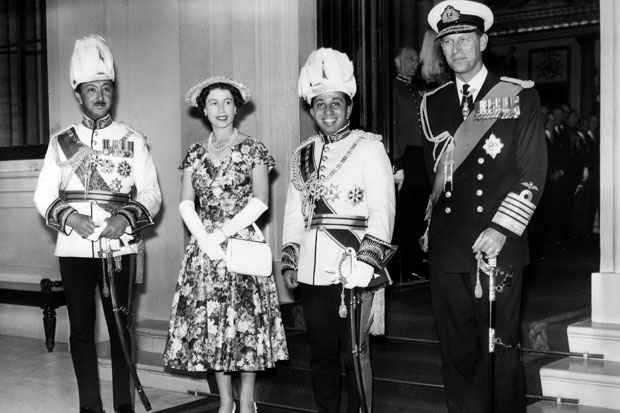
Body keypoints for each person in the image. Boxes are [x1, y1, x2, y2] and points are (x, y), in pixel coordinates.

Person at [421, 1, 547, 411]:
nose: (456, 49)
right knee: (457, 354)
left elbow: (532, 172)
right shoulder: (432, 104)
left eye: (465, 39)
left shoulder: (518, 96)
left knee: (501, 352)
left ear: (484, 41)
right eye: (448, 42)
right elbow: (436, 182)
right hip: (448, 251)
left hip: (498, 247)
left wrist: (501, 229)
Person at [33, 35, 162, 413]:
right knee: (81, 330)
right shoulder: (61, 143)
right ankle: (90, 406)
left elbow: (152, 193)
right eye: (92, 89)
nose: (100, 96)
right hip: (74, 247)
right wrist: (70, 217)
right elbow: (43, 195)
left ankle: (123, 407)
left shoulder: (133, 140)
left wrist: (125, 218)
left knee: (122, 330)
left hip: (120, 247)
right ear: (79, 95)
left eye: (106, 88)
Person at [163, 76, 288, 413]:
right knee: (213, 325)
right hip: (204, 251)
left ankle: (246, 400)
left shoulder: (253, 149)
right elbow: (186, 203)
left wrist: (220, 235)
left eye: (227, 102)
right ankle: (225, 401)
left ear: (237, 108)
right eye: (213, 103)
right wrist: (205, 240)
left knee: (245, 325)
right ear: (203, 110)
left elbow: (260, 202)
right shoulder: (194, 153)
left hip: (241, 244)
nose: (221, 109)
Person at [281, 47, 396, 413]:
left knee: (354, 355)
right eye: (320, 104)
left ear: (349, 107)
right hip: (312, 274)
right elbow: (294, 214)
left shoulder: (369, 147)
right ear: (311, 110)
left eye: (336, 103)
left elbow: (382, 211)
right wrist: (290, 259)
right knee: (321, 356)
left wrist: (367, 262)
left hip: (352, 269)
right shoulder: (302, 154)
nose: (328, 111)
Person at [391, 46, 430, 282]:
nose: (415, 63)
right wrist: (397, 163)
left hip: (419, 157)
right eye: (410, 59)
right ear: (398, 62)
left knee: (418, 215)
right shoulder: (394, 89)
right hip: (405, 158)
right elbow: (393, 127)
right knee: (404, 217)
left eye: (416, 59)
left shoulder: (415, 89)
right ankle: (403, 268)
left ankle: (415, 265)